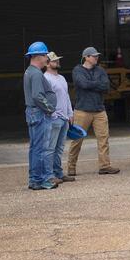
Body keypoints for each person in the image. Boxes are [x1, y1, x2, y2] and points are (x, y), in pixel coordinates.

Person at [65, 46, 119, 176]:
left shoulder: (100, 70)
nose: (97, 58)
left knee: (103, 139)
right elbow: (82, 84)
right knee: (77, 140)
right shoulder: (77, 70)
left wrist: (91, 84)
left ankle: (105, 166)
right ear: (86, 57)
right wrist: (96, 84)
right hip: (82, 110)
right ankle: (71, 167)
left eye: (97, 56)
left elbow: (106, 86)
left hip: (99, 110)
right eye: (94, 56)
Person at [22, 42, 58, 191]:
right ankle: (41, 180)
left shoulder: (29, 72)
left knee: (35, 148)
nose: (47, 59)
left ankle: (34, 179)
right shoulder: (36, 73)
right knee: (41, 149)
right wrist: (49, 109)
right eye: (45, 55)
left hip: (33, 113)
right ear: (38, 56)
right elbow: (37, 96)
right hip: (40, 113)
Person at [43, 52, 75, 184]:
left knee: (59, 148)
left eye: (57, 60)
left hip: (64, 118)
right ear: (47, 63)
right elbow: (45, 99)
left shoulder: (61, 78)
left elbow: (66, 96)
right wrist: (53, 114)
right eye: (54, 60)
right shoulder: (46, 78)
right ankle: (49, 175)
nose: (57, 62)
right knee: (50, 148)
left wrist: (70, 113)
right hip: (54, 118)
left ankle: (58, 173)